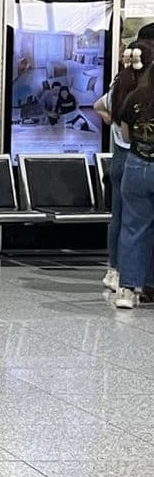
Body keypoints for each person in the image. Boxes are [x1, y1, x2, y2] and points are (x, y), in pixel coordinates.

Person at [96, 43, 153, 292]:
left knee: (125, 220)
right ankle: (147, 281)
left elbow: (100, 107)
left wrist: (114, 124)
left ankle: (118, 274)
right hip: (142, 160)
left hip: (127, 158)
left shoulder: (121, 86)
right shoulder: (144, 89)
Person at [112, 44, 154, 310]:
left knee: (134, 228)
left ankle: (128, 289)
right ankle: (149, 284)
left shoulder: (135, 97)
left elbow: (126, 136)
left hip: (137, 166)